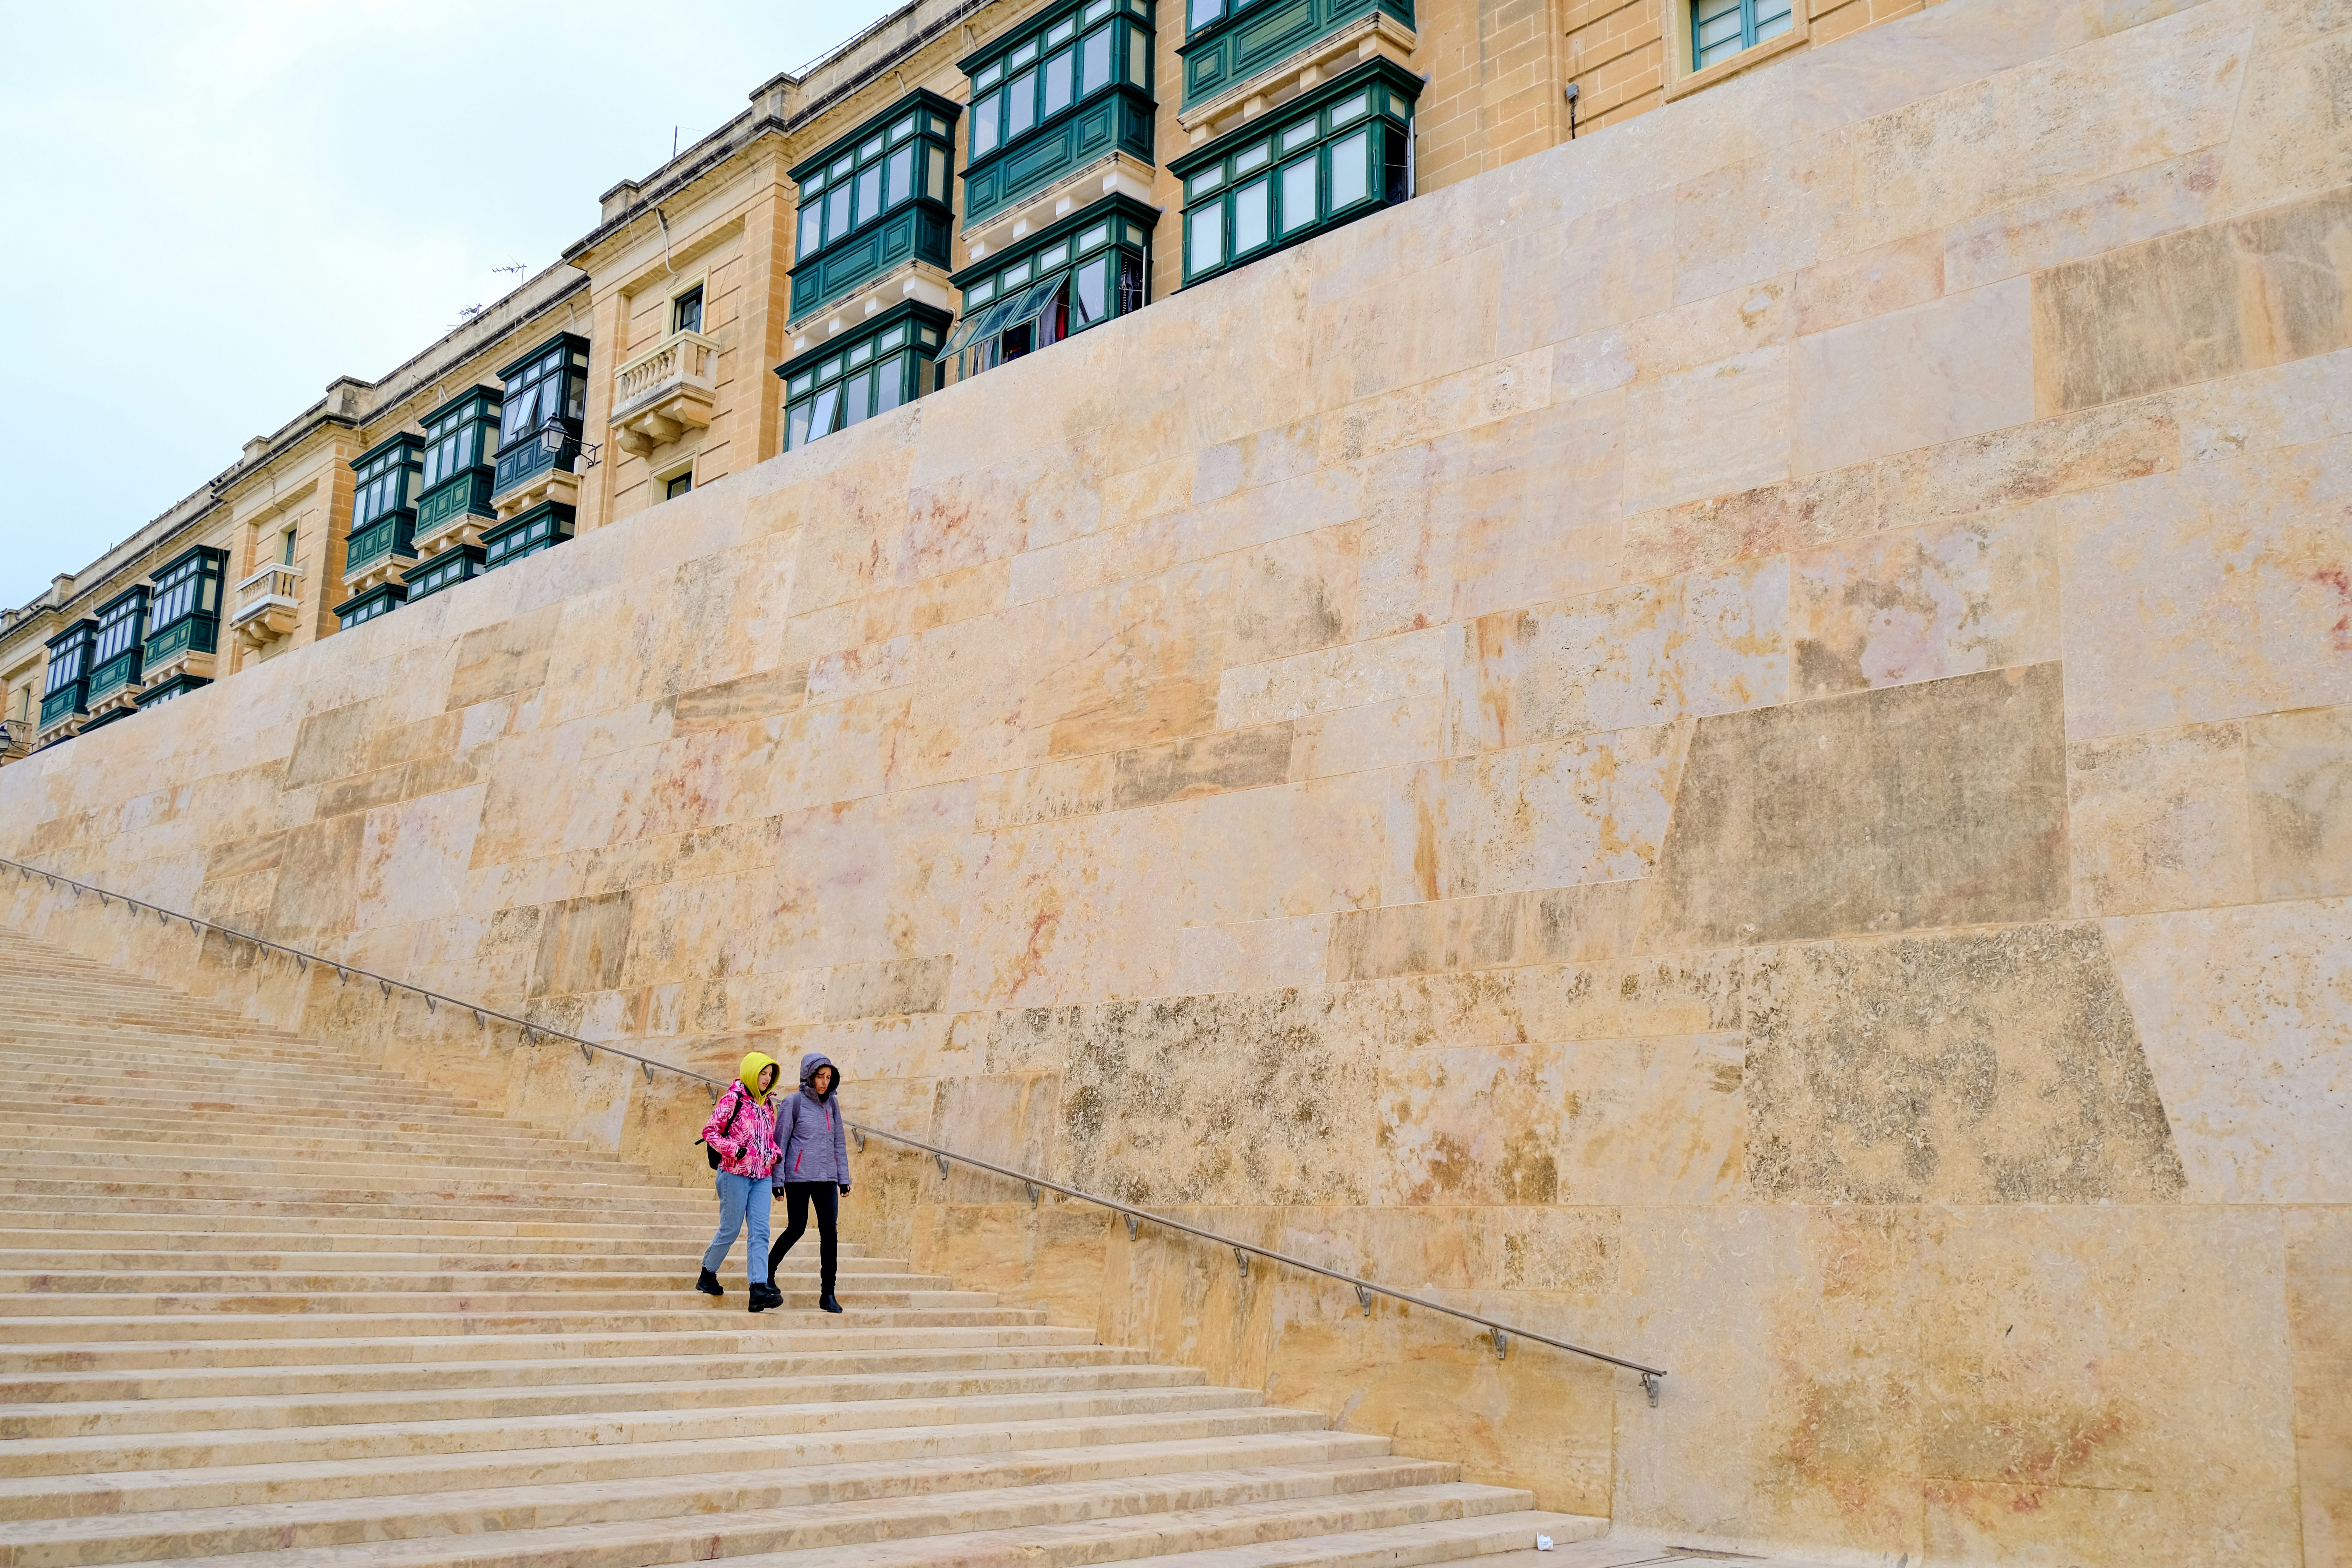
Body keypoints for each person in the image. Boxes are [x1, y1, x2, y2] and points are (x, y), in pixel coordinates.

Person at [696, 1051, 784, 1312]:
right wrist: (736, 1150)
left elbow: (769, 1139)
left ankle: (758, 1289)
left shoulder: (768, 1104)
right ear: (751, 1073)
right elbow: (709, 1132)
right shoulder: (733, 1099)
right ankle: (707, 1273)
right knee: (731, 1229)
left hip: (762, 1177)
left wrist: (775, 1154)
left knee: (761, 1232)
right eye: (762, 1074)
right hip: (734, 1174)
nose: (767, 1079)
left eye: (770, 1075)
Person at [768, 1052, 850, 1314]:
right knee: (797, 1227)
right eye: (820, 1077)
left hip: (827, 1177)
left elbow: (839, 1142)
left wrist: (843, 1178)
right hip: (799, 1177)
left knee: (830, 1233)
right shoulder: (793, 1103)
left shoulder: (833, 1106)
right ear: (809, 1076)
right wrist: (777, 1180)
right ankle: (768, 1271)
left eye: (828, 1077)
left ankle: (828, 1294)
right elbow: (780, 1144)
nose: (825, 1082)